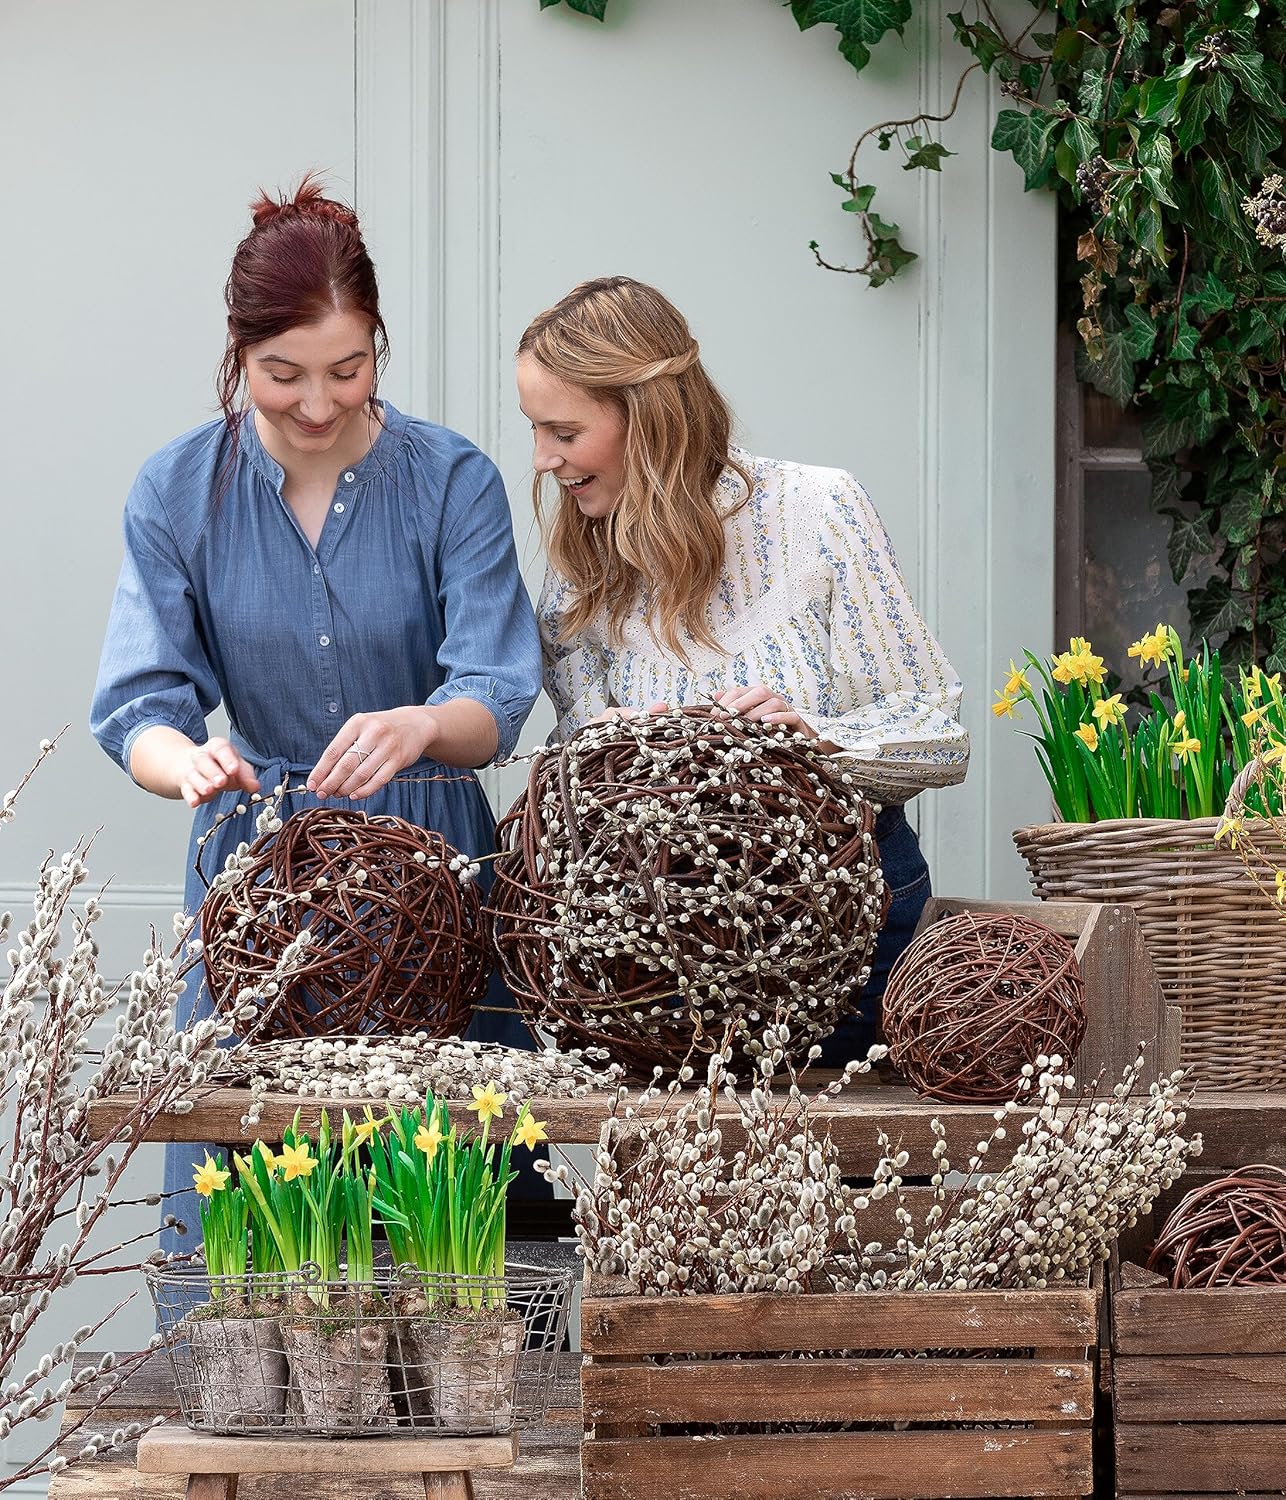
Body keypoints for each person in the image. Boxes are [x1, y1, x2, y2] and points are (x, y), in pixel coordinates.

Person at [91, 176, 543, 1246]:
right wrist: (187, 763)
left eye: (348, 369)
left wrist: (421, 725)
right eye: (281, 374)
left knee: (448, 1215)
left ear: (377, 343)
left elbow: (496, 693)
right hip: (260, 876)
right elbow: (139, 704)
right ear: (238, 353)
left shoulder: (452, 480)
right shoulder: (176, 490)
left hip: (435, 875)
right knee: (254, 1215)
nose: (316, 403)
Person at [515, 275, 969, 1061]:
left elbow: (939, 737)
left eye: (564, 431)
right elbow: (577, 775)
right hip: (661, 963)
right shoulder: (579, 568)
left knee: (862, 1145)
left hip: (849, 934)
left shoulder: (819, 511)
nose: (544, 459)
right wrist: (605, 753)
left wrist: (813, 744)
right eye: (535, 429)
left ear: (648, 418)